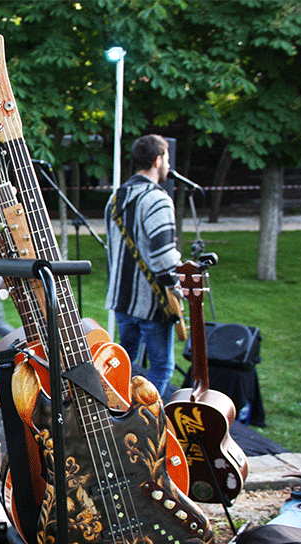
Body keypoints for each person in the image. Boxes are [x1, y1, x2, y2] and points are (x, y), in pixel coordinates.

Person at [105, 134, 181, 398]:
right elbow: (162, 258)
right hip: (152, 302)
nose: (169, 166)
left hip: (122, 299)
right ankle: (149, 421)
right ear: (158, 160)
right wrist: (178, 288)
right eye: (167, 159)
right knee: (161, 366)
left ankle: (119, 410)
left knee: (123, 365)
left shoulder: (115, 199)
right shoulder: (158, 199)